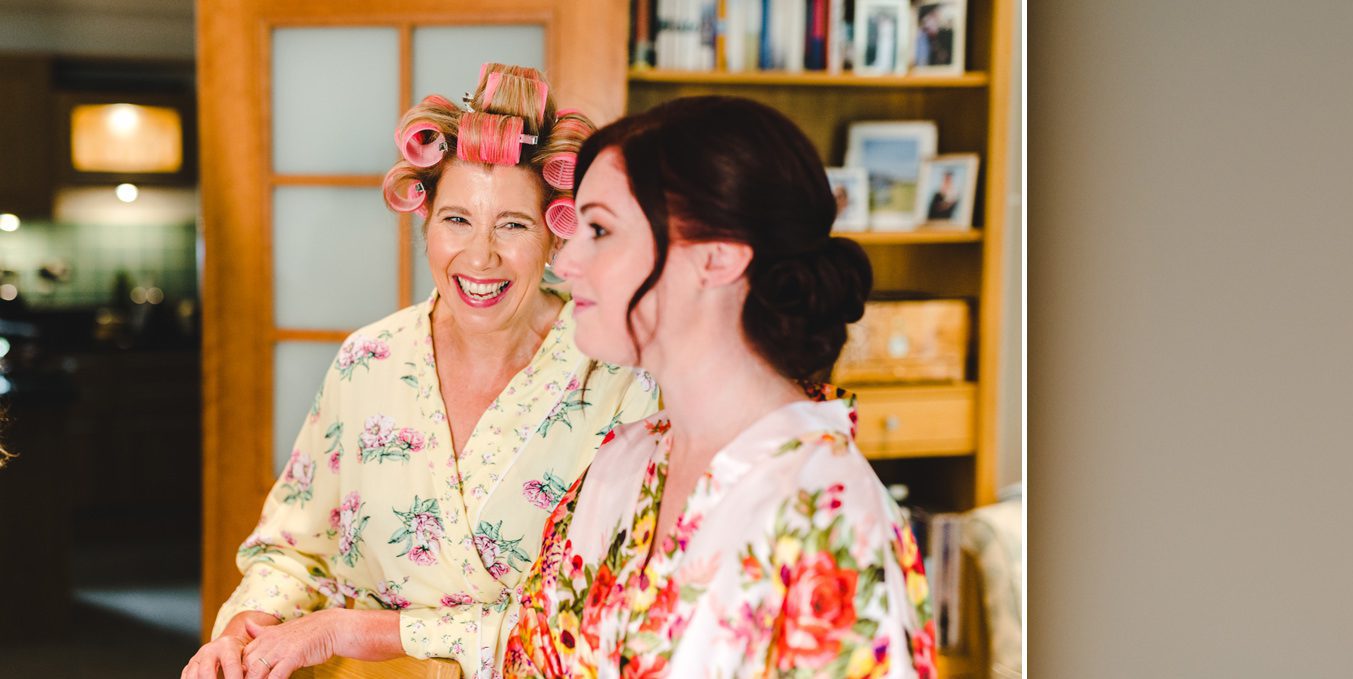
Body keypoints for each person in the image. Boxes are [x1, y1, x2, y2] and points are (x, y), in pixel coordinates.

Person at [183, 63, 659, 679]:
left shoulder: (620, 378)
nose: (480, 256)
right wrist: (251, 623)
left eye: (512, 225)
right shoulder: (369, 362)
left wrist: (357, 629)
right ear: (425, 222)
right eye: (457, 220)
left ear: (554, 236)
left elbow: (610, 611)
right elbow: (295, 549)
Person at [499, 96, 936, 677]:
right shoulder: (619, 464)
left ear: (718, 257)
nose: (566, 260)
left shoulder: (829, 514)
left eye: (600, 229)